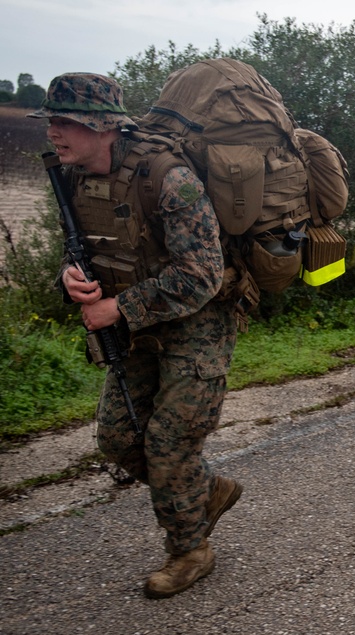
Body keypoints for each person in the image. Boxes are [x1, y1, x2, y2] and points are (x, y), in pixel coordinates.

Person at [29, 73, 243, 599]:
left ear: (102, 126)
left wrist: (116, 307)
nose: (54, 132)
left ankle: (190, 550)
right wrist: (69, 277)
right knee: (119, 440)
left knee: (168, 444)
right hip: (136, 328)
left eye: (66, 122)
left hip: (197, 324)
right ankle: (203, 492)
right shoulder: (74, 179)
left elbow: (201, 276)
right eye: (51, 121)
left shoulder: (169, 179)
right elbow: (78, 246)